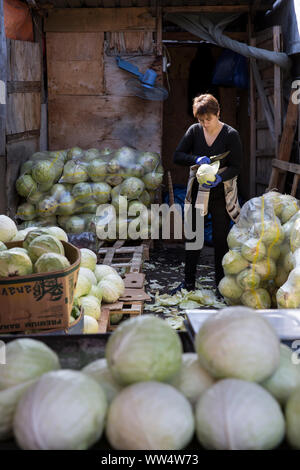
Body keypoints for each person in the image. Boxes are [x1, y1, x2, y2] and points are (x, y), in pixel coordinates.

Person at [173, 93, 243, 292]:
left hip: (221, 193)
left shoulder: (231, 134)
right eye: (201, 120)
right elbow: (177, 156)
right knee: (194, 237)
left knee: (221, 239)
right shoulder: (194, 131)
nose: (205, 123)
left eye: (208, 119)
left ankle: (221, 285)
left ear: (218, 113)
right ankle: (188, 283)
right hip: (198, 192)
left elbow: (237, 166)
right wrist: (195, 159)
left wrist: (222, 177)